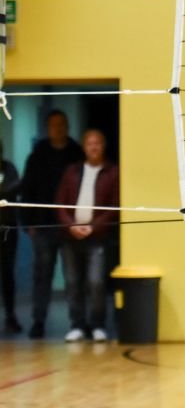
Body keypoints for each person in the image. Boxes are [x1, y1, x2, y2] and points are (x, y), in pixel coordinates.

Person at [20, 108, 83, 339]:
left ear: (67, 126)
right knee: (42, 277)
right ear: (48, 128)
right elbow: (27, 189)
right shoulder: (38, 155)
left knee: (73, 278)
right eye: (54, 125)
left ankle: (77, 323)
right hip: (43, 225)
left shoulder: (77, 153)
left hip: (70, 226)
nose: (58, 128)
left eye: (62, 124)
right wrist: (28, 223)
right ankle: (38, 321)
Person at [54, 128, 119, 342]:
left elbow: (114, 207)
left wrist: (93, 227)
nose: (94, 147)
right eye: (90, 143)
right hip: (70, 237)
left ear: (103, 146)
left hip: (97, 237)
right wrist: (70, 226)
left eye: (97, 143)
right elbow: (60, 204)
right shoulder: (71, 172)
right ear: (84, 147)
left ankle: (98, 325)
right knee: (73, 282)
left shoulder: (112, 172)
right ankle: (77, 325)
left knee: (96, 282)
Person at [0, 140, 20, 334]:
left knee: (7, 274)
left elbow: (12, 187)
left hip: (7, 231)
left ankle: (10, 316)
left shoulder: (9, 168)